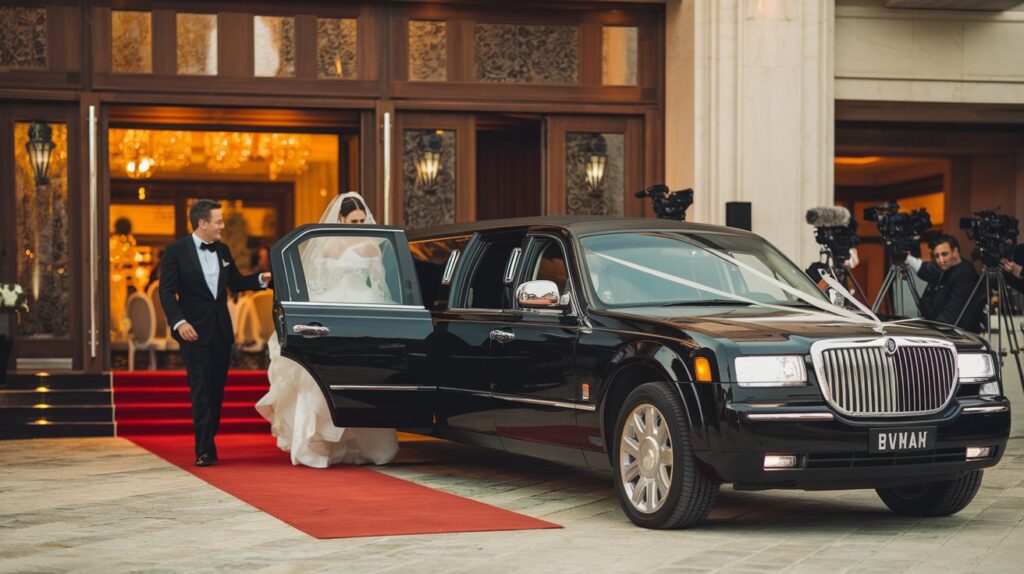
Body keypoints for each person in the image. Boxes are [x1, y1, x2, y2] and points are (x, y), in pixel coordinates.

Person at [255, 192, 398, 468]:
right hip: (330, 310)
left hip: (362, 309)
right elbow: (315, 284)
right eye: (353, 220)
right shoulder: (323, 244)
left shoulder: (371, 245)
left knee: (361, 379)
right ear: (341, 218)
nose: (359, 224)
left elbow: (380, 286)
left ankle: (363, 445)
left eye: (362, 219)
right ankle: (323, 444)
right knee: (317, 379)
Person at [159, 199, 271, 466]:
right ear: (203, 223)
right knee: (200, 389)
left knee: (216, 390)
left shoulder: (222, 250)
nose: (223, 225)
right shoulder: (176, 252)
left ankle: (209, 440)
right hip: (193, 333)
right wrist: (179, 322)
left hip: (220, 332)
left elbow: (236, 282)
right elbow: (166, 292)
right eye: (218, 221)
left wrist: (260, 280)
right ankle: (204, 449)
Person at [904, 234, 984, 332]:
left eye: (944, 254)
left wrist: (925, 331)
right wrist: (907, 258)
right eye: (937, 256)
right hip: (939, 331)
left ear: (955, 251)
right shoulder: (944, 267)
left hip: (958, 337)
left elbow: (951, 317)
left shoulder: (966, 274)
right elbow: (924, 270)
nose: (940, 260)